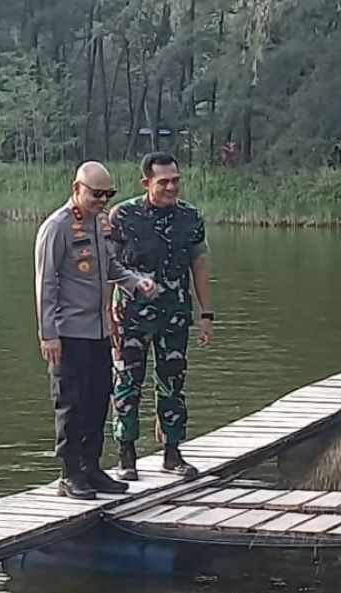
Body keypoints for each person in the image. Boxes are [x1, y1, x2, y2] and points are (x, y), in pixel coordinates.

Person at [34, 162, 158, 500]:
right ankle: (70, 473)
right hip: (68, 332)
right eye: (96, 193)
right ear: (77, 189)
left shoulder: (100, 223)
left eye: (108, 194)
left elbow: (111, 266)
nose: (102, 199)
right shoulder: (57, 227)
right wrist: (48, 334)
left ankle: (92, 468)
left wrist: (136, 281)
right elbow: (45, 283)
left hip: (99, 331)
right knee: (70, 405)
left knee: (97, 401)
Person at [109, 152, 214, 482]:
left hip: (175, 313)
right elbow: (108, 267)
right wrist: (106, 314)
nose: (171, 187)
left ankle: (172, 453)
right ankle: (127, 455)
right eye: (163, 182)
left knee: (173, 382)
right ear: (146, 183)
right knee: (127, 383)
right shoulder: (122, 215)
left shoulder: (190, 217)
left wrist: (207, 313)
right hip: (130, 315)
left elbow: (199, 266)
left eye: (176, 180)